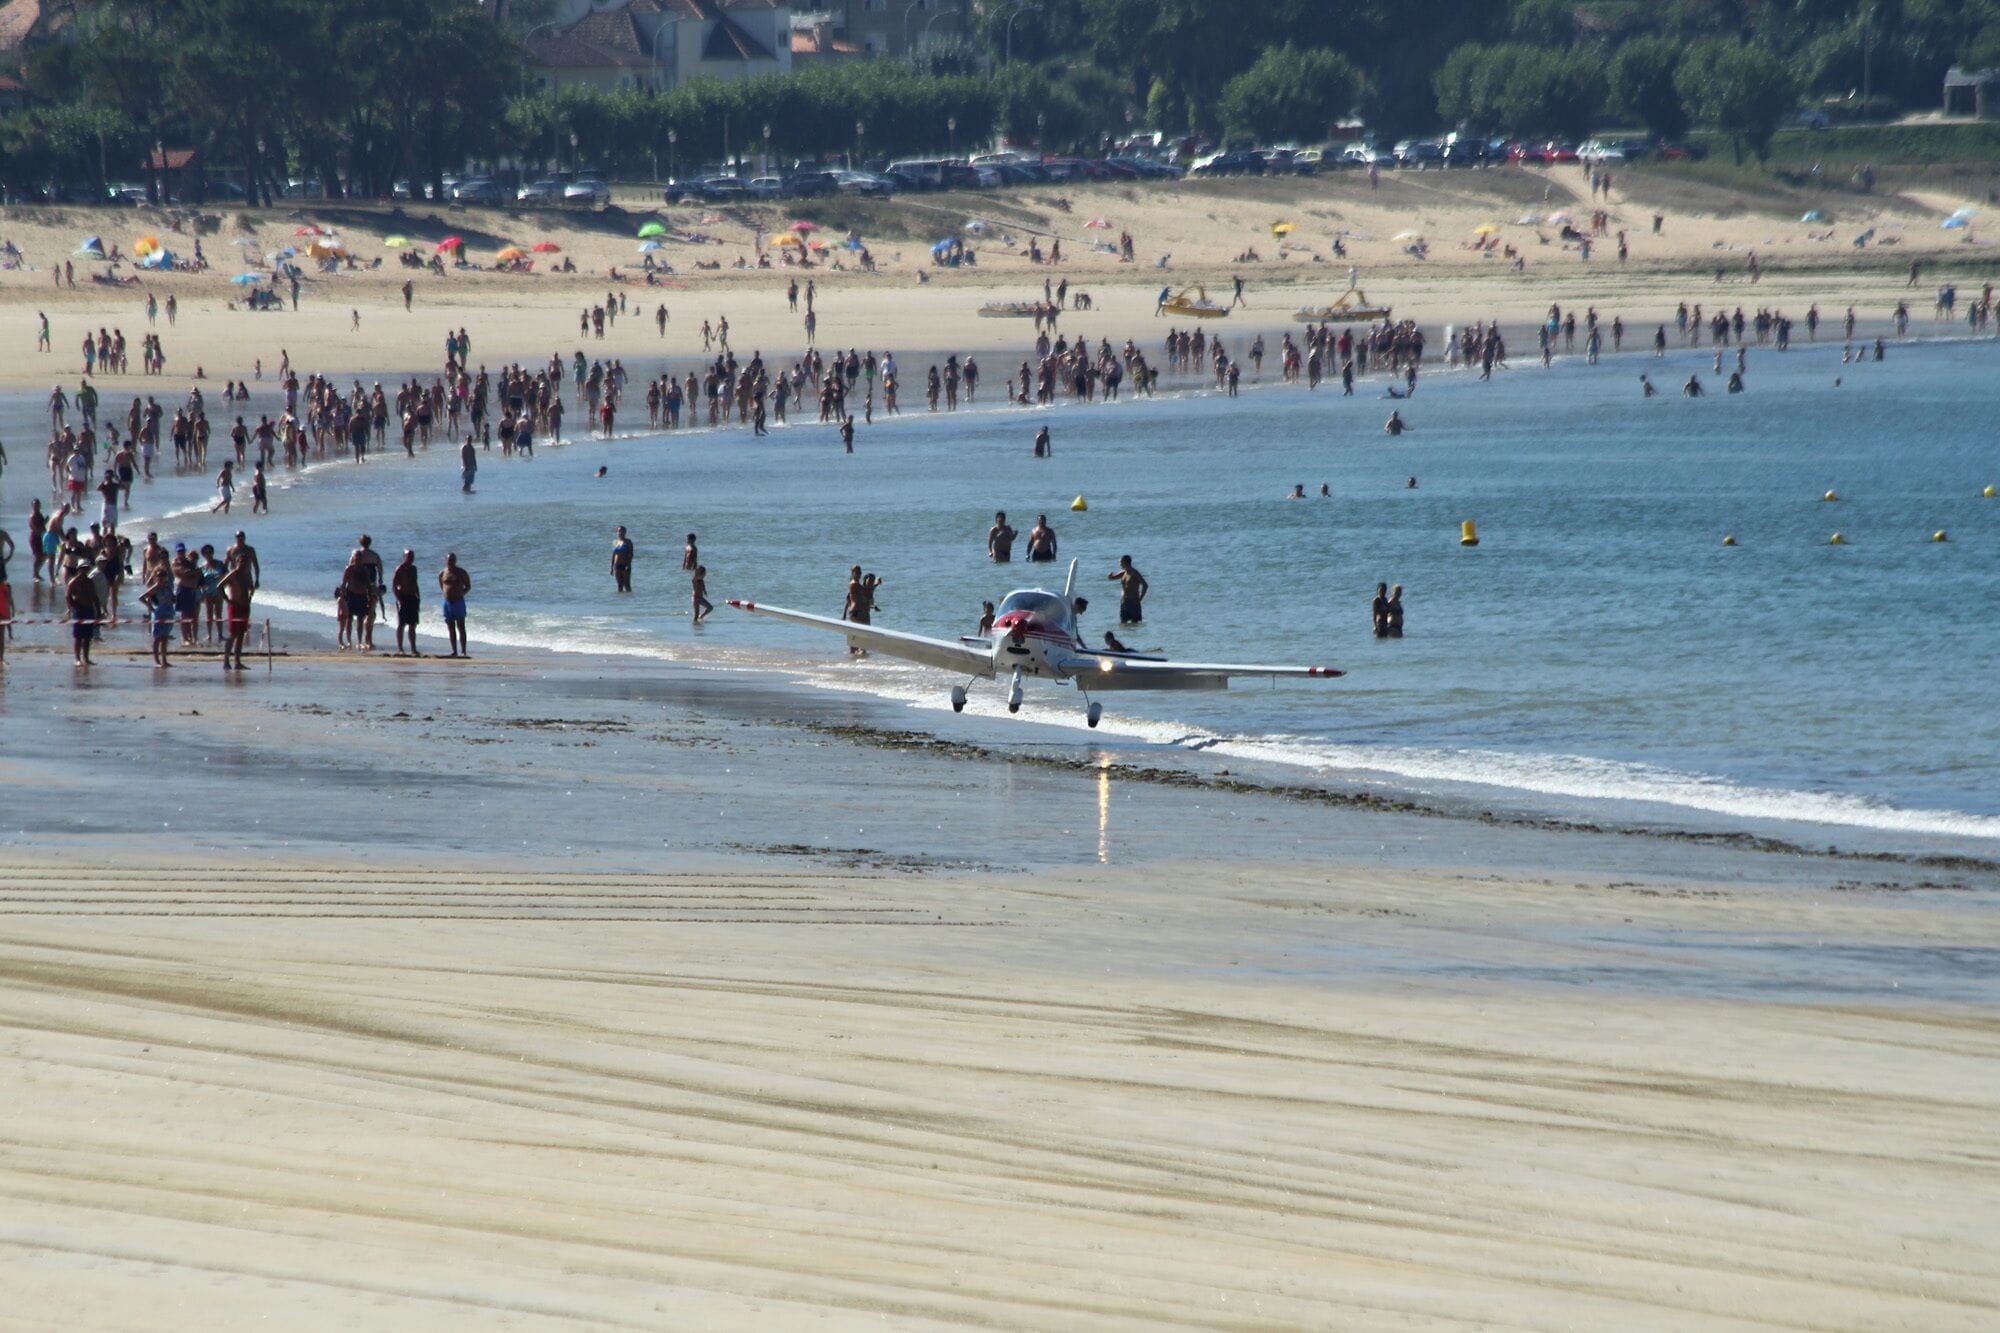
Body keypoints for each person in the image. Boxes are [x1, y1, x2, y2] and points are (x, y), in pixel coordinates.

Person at [219, 552, 254, 670]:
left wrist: (250, 595)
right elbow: (220, 586)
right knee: (233, 634)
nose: (243, 564)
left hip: (245, 607)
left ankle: (237, 662)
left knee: (241, 635)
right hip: (235, 606)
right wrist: (228, 600)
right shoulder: (233, 574)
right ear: (237, 562)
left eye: (246, 562)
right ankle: (226, 661)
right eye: (241, 561)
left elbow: (251, 587)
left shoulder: (247, 574)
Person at [439, 553, 470, 658]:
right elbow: (441, 585)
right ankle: (454, 650)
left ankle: (464, 650)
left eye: (452, 560)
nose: (450, 562)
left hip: (458, 602)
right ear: (446, 561)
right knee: (450, 627)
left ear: (455, 561)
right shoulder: (443, 573)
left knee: (461, 626)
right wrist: (447, 594)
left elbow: (468, 586)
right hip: (447, 602)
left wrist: (460, 594)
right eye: (449, 560)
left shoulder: (461, 572)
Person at [391, 549, 422, 656]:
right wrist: (398, 598)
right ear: (404, 557)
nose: (411, 559)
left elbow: (415, 583)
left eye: (412, 556)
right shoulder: (400, 569)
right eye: (408, 556)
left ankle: (413, 648)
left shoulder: (414, 569)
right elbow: (394, 585)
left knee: (412, 624)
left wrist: (418, 597)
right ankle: (400, 648)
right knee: (401, 624)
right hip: (403, 597)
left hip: (413, 598)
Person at [1106, 555, 1148, 626]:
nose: (1120, 564)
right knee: (1123, 624)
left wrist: (1140, 598)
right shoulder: (1124, 572)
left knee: (1135, 624)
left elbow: (1145, 585)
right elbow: (1112, 578)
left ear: (1125, 562)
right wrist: (1109, 576)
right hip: (1124, 602)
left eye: (1120, 562)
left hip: (1134, 602)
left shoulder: (1134, 573)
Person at [610, 525, 635, 592]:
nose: (620, 533)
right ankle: (620, 601)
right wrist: (611, 567)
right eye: (619, 531)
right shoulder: (615, 542)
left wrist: (628, 564)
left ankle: (630, 600)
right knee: (619, 585)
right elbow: (613, 554)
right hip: (617, 565)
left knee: (627, 585)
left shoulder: (628, 542)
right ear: (617, 532)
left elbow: (631, 554)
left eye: (622, 531)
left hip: (625, 565)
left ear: (625, 532)